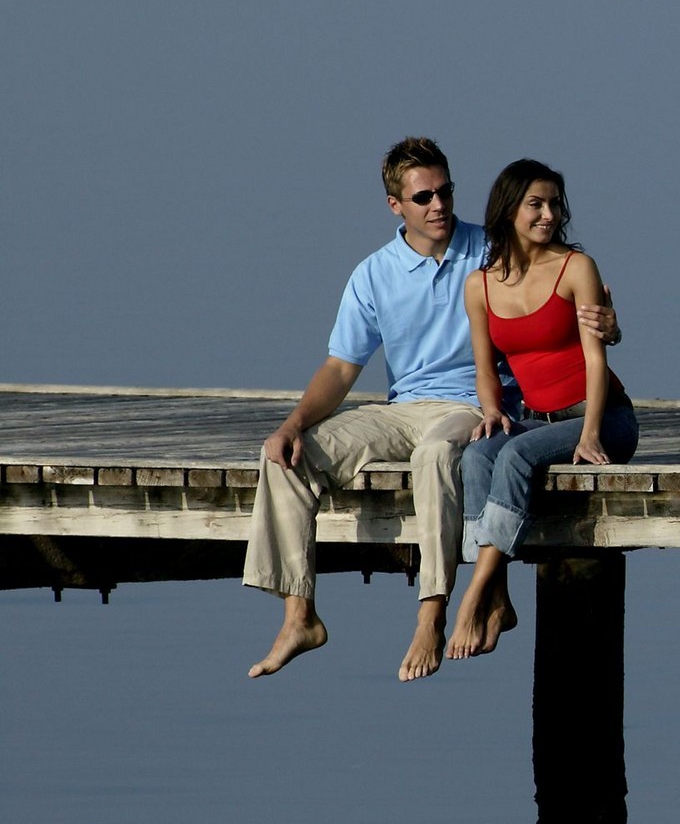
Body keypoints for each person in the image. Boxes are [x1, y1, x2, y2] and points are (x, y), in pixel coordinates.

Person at [245, 138, 617, 682]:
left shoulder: (490, 248)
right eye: (424, 197)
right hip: (403, 407)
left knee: (437, 452)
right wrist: (293, 424)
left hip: (475, 406)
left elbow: (560, 288)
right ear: (396, 205)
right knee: (284, 456)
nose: (438, 205)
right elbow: (342, 369)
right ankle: (299, 616)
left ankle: (432, 610)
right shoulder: (373, 274)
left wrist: (612, 324)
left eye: (445, 192)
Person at [449, 160, 637, 661]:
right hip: (540, 418)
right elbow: (485, 367)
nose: (549, 214)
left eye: (555, 203)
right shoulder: (480, 285)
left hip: (606, 418)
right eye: (536, 204)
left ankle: (471, 595)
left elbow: (597, 361)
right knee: (477, 455)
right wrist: (490, 410)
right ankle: (499, 598)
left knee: (515, 458)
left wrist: (591, 432)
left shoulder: (577, 268)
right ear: (509, 209)